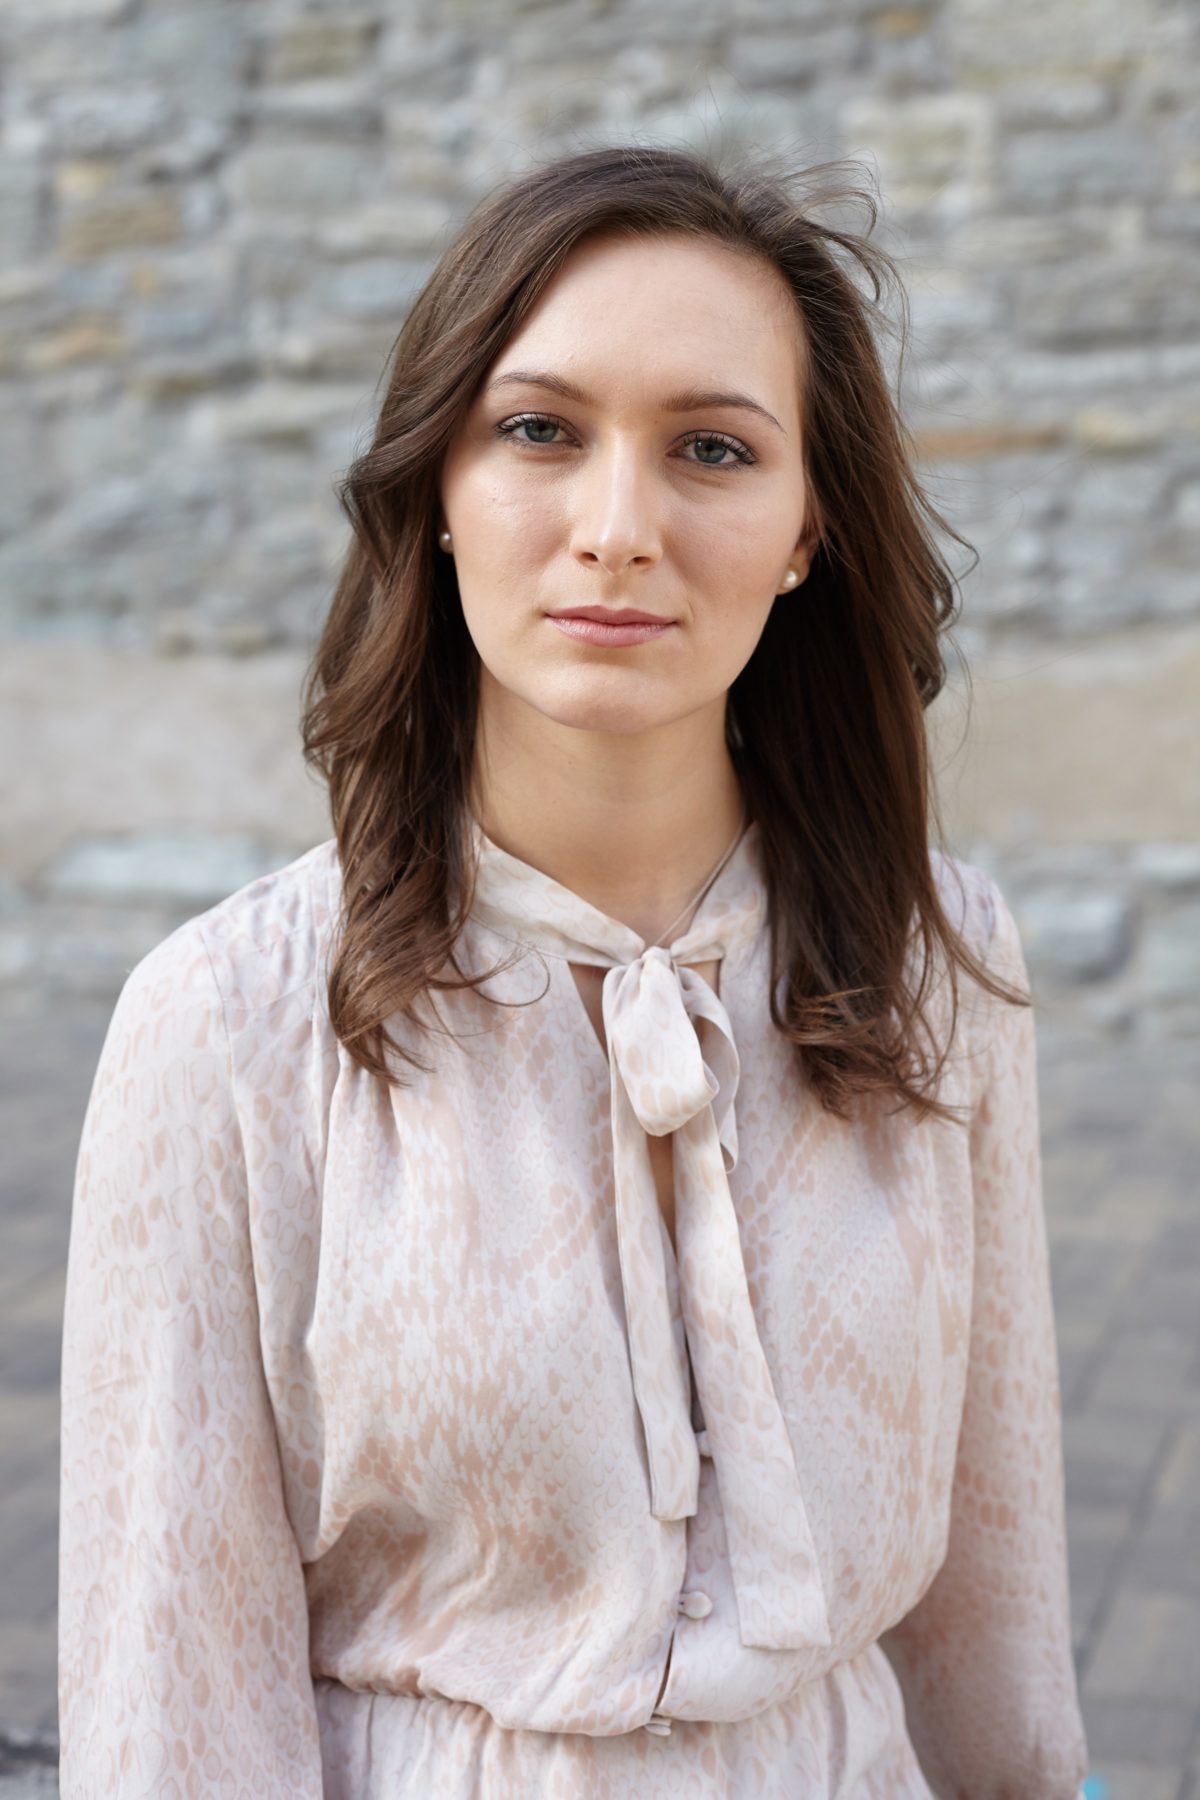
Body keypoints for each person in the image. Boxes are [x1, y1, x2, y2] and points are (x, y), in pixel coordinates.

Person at [57, 142, 1091, 1798]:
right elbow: (171, 1686)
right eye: (539, 430)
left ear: (809, 526)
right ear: (440, 493)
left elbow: (1000, 1600)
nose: (619, 529)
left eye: (712, 447)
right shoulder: (229, 1024)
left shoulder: (938, 963)